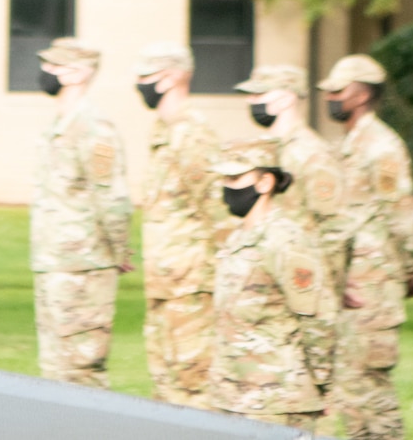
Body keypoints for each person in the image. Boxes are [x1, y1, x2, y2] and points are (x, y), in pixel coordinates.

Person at [320, 54, 413, 440]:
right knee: (351, 388)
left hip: (373, 285)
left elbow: (401, 215)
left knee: (371, 390)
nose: (330, 96)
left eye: (338, 90)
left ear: (362, 94)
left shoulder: (382, 146)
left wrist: (408, 273)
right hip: (349, 283)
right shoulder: (346, 143)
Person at [207, 136, 335, 432]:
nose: (228, 187)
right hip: (233, 395)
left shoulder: (287, 241)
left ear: (265, 183)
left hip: (277, 399)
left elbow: (317, 319)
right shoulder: (238, 237)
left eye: (236, 178)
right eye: (225, 178)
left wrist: (321, 383)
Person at [30, 37, 131, 388]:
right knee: (55, 371)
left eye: (53, 66)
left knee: (81, 372)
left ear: (77, 74)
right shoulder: (60, 124)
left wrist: (119, 251)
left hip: (84, 268)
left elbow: (113, 198)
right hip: (54, 263)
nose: (45, 72)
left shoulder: (93, 128)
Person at [133, 42, 223, 408]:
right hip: (164, 283)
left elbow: (217, 208)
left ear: (171, 77)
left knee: (193, 384)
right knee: (165, 386)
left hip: (191, 287)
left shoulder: (192, 133)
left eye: (145, 76)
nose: (138, 85)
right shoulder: (162, 131)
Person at [238, 65, 350, 292]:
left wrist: (326, 285)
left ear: (286, 99)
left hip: (301, 279)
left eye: (260, 94)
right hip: (264, 276)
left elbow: (334, 226)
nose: (251, 101)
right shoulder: (263, 149)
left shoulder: (313, 153)